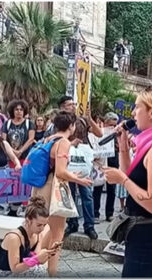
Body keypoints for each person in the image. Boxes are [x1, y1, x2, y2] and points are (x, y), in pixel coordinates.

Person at [103, 86, 152, 277]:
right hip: (141, 231)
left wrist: (122, 180)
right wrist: (122, 146)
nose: (132, 113)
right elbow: (131, 174)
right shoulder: (150, 142)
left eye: (137, 107)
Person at [30, 110, 92, 276]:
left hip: (41, 187)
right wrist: (79, 180)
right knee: (58, 233)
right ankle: (51, 271)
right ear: (71, 126)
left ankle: (35, 261)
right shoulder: (64, 142)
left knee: (46, 228)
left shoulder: (48, 139)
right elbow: (61, 172)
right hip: (53, 188)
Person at [60, 96, 102, 240]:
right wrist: (71, 144)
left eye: (73, 104)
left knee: (87, 194)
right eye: (69, 105)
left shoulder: (82, 121)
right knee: (69, 194)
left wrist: (90, 119)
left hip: (83, 163)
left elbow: (99, 134)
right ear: (62, 107)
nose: (72, 106)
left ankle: (89, 225)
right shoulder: (59, 122)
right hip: (67, 163)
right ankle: (72, 223)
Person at [0, 196, 59, 277]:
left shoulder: (38, 235)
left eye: (44, 225)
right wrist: (36, 259)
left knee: (41, 270)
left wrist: (49, 253)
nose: (42, 228)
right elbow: (15, 268)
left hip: (23, 270)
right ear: (28, 220)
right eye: (39, 225)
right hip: (5, 273)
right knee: (40, 272)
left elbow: (37, 261)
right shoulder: (14, 238)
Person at [93, 112, 118, 223]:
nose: (112, 127)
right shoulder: (99, 133)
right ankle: (95, 213)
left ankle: (110, 213)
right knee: (97, 188)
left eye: (114, 125)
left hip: (112, 163)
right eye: (110, 125)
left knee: (111, 190)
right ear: (105, 123)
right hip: (100, 164)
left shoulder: (117, 134)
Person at [2, 99, 35, 165]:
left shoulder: (29, 123)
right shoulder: (7, 124)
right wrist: (12, 151)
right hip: (11, 157)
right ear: (13, 111)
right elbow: (3, 140)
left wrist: (20, 151)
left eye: (21, 110)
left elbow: (31, 139)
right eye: (16, 109)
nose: (19, 111)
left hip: (26, 157)